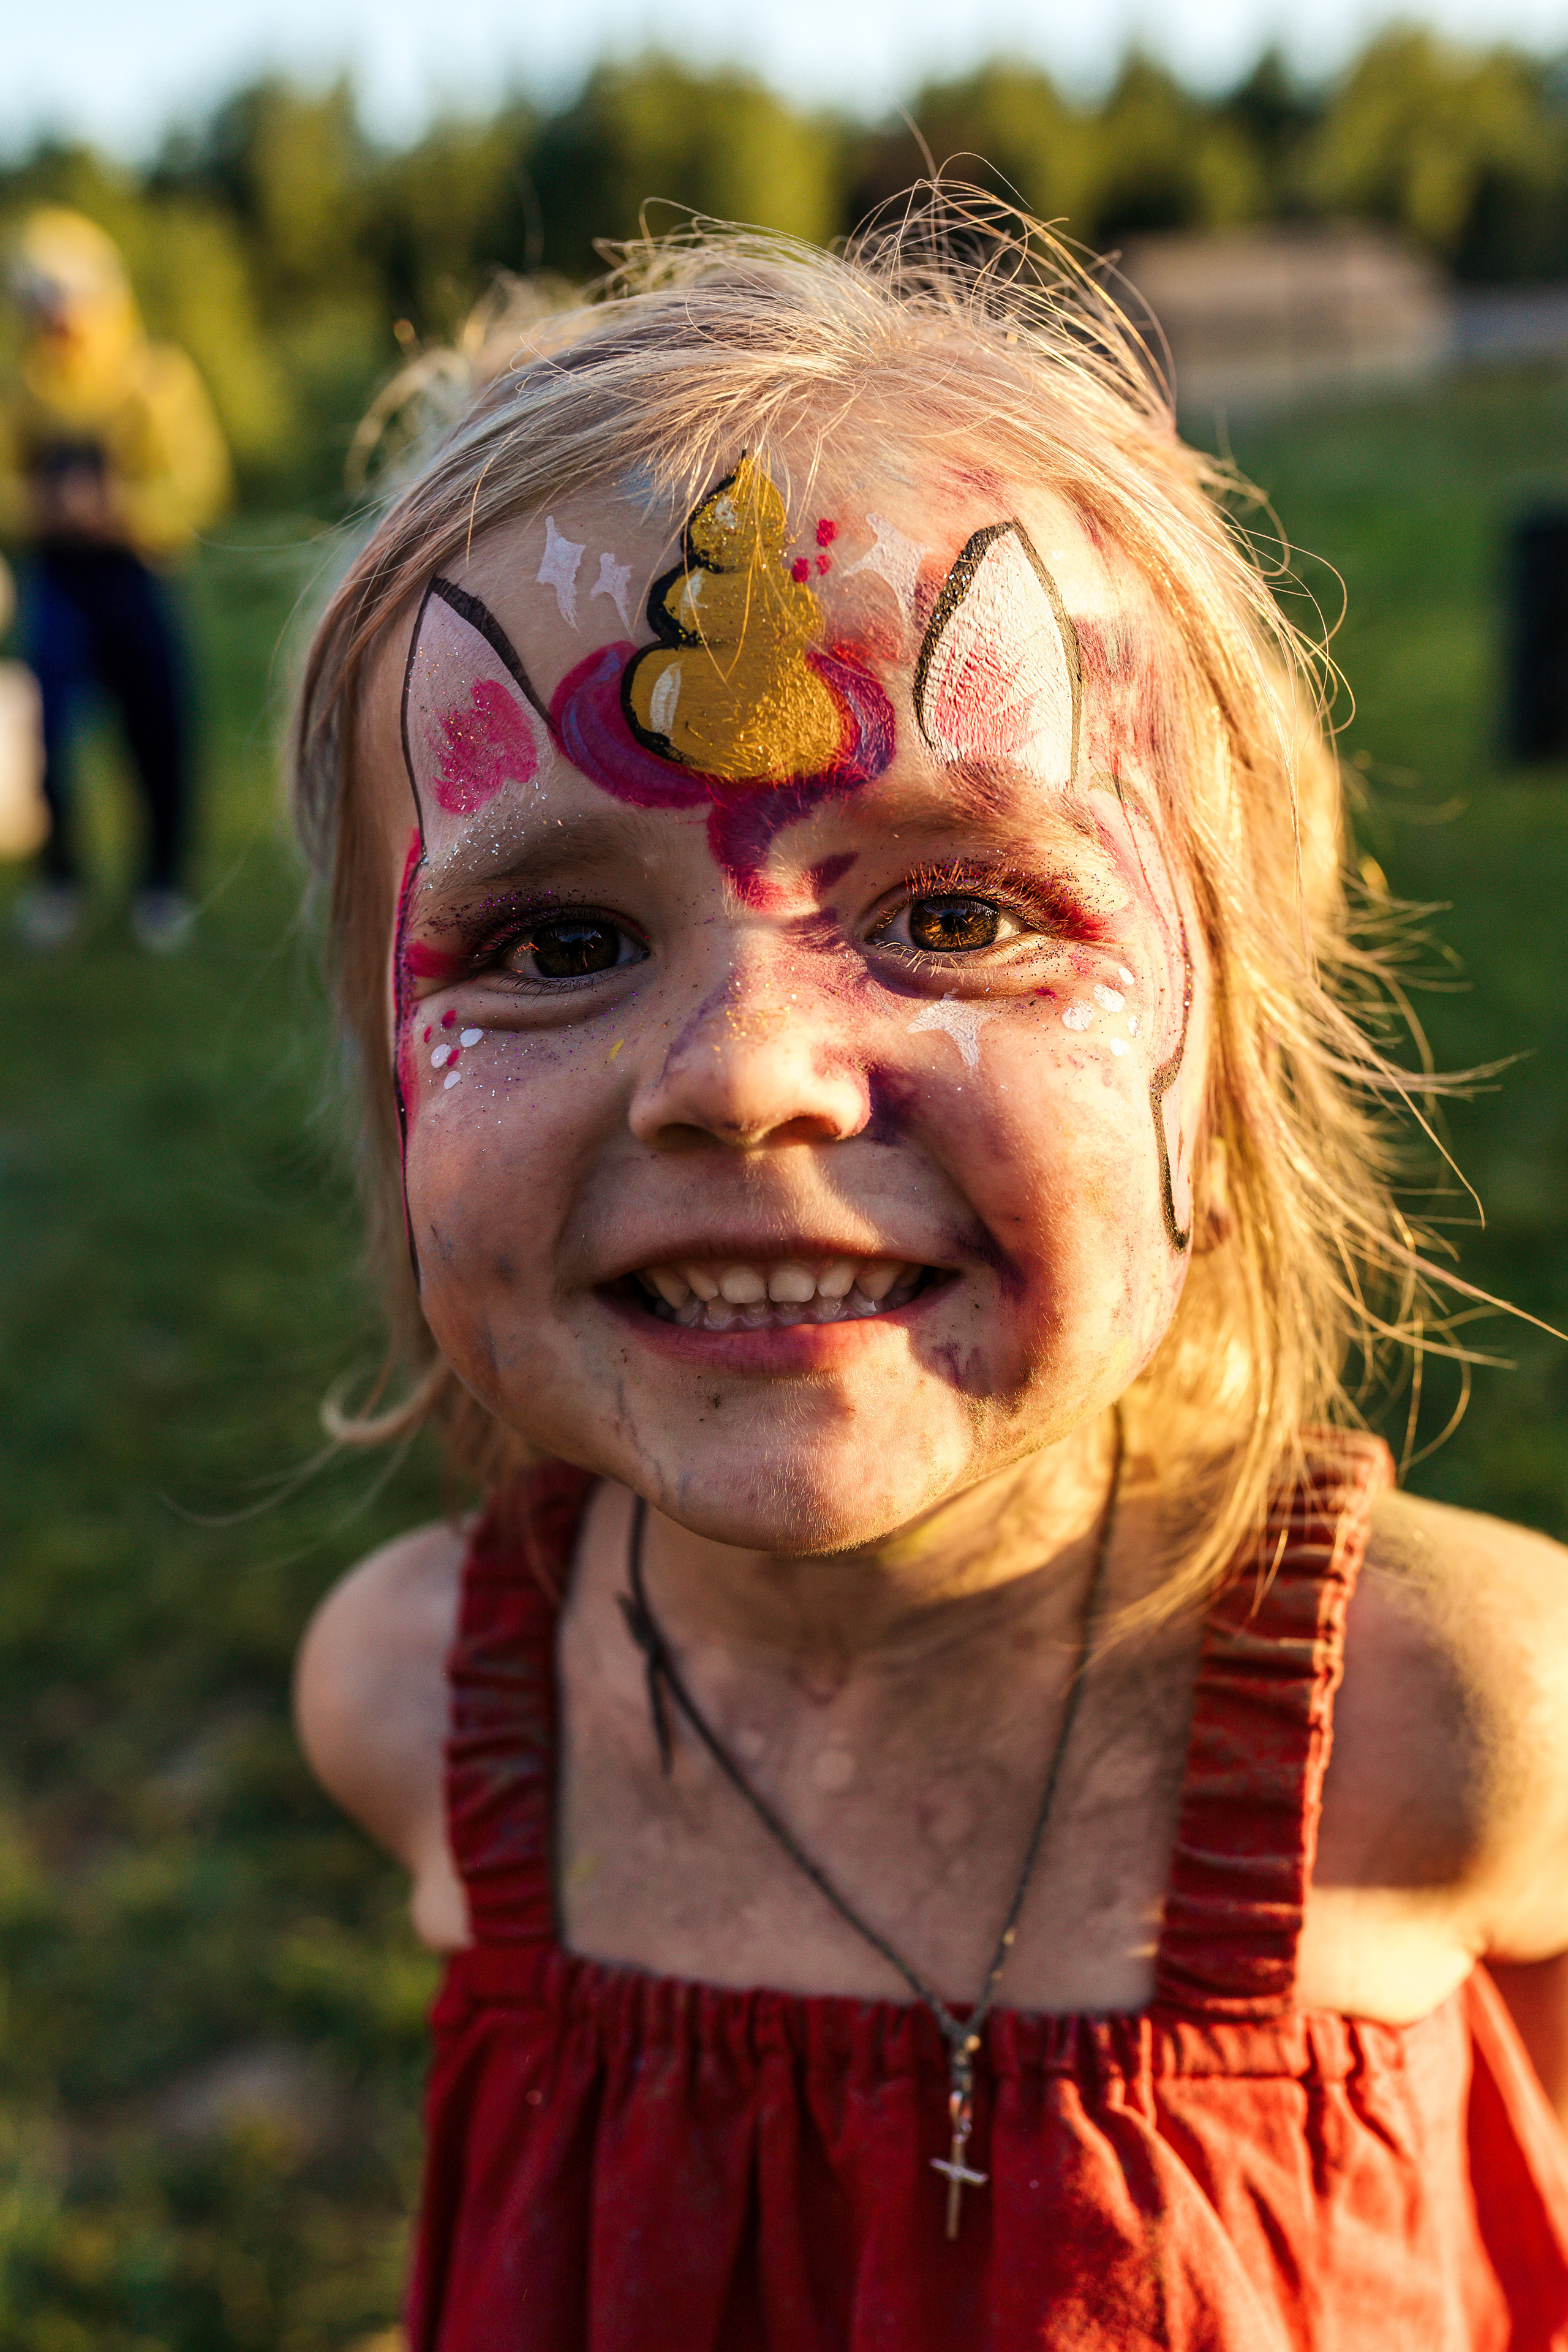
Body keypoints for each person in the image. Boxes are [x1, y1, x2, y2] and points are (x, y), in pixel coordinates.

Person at [289, 206, 1568, 2348]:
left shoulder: (1460, 1722)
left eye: (959, 915)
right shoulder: (411, 1710)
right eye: (556, 941)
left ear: (1234, 1049)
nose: (743, 1076)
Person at [0, 209, 231, 951]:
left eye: (66, 298)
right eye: (40, 301)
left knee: (157, 727)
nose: (55, 318)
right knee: (47, 732)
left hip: (139, 574)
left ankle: (162, 883)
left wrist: (122, 512)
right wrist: (43, 509)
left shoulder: (153, 376)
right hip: (57, 577)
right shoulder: (21, 388)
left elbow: (199, 480)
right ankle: (60, 880)